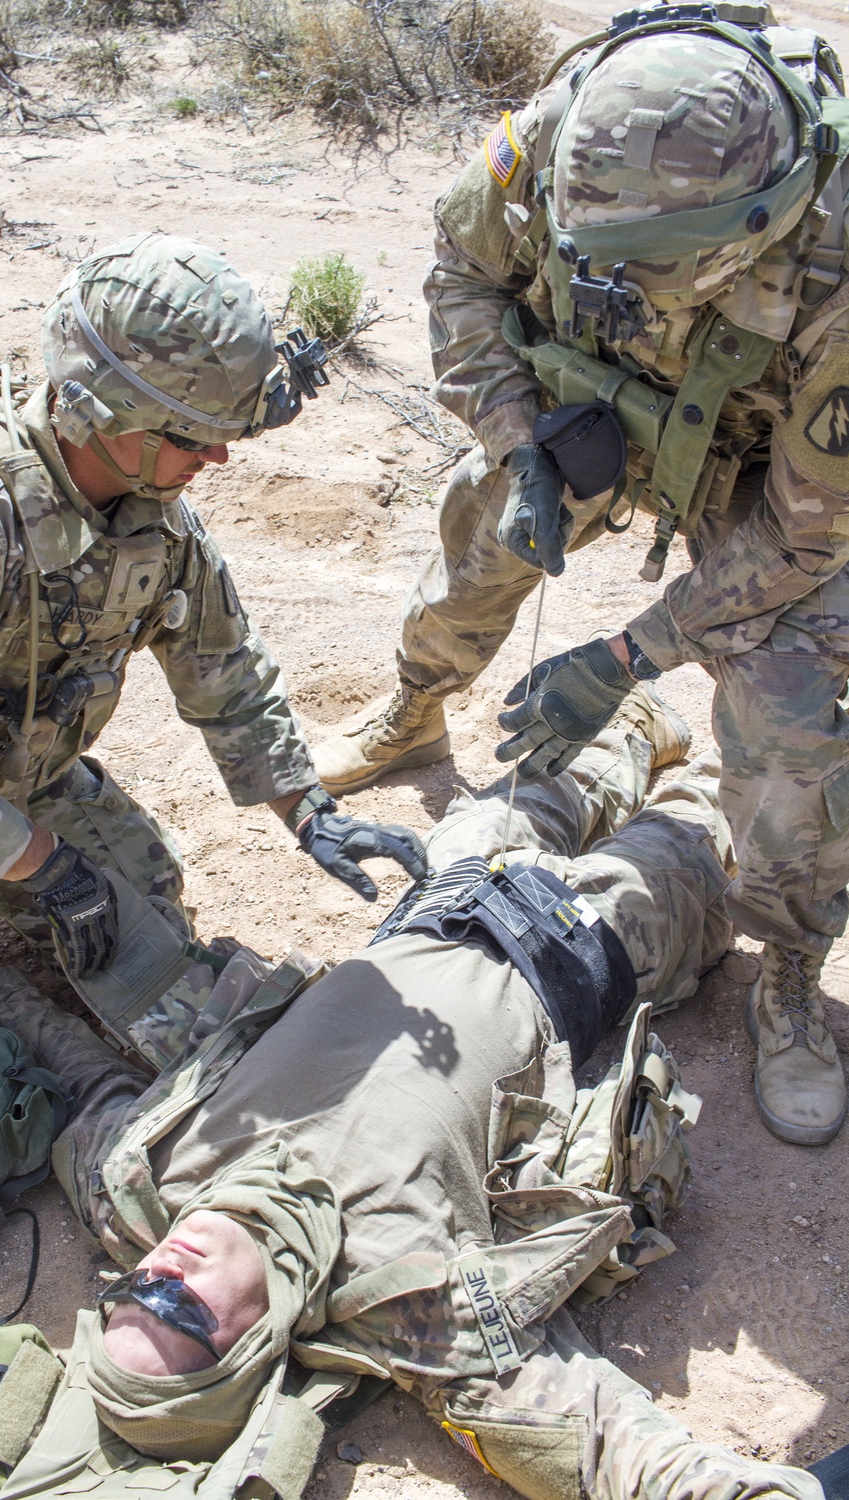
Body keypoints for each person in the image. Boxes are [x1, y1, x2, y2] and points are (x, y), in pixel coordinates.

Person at [0, 685, 819, 1500]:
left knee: (538, 792)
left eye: (128, 1298)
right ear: (251, 1346)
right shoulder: (403, 1301)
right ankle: (709, 770)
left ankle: (631, 733)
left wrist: (1, 994)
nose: (158, 1273)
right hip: (589, 942)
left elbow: (89, 1083)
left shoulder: (137, 1188)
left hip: (442, 899)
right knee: (708, 817)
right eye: (177, 1312)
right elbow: (598, 1441)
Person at [313, 8, 849, 1145]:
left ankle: (789, 965)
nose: (619, 276)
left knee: (796, 695)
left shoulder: (840, 271)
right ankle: (415, 712)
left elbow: (808, 531)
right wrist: (521, 447)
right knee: (484, 536)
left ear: (752, 231)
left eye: (651, 266)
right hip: (593, 415)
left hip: (762, 475)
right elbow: (458, 274)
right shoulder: (564, 136)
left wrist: (624, 657)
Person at [0, 231, 426, 1062]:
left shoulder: (145, 501)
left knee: (145, 916)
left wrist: (309, 810)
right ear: (103, 412)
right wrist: (44, 867)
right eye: (193, 436)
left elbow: (223, 665)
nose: (219, 457)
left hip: (10, 769)